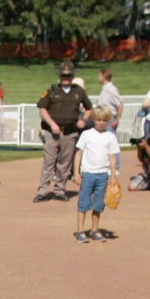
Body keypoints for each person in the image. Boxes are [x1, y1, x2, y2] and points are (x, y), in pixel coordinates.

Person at [34, 61, 92, 202]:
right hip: (52, 132)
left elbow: (89, 108)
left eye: (68, 75)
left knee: (65, 163)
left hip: (70, 132)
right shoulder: (52, 90)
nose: (66, 78)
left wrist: (83, 120)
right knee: (49, 162)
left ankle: (60, 190)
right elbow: (42, 109)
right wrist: (52, 124)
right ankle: (43, 190)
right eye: (63, 76)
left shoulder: (78, 91)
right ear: (59, 76)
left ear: (72, 76)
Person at [70, 106, 120, 243]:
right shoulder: (87, 134)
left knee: (98, 204)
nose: (101, 122)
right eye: (99, 119)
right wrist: (76, 172)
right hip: (88, 174)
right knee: (83, 203)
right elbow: (78, 153)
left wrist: (113, 175)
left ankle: (94, 230)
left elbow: (112, 157)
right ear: (94, 119)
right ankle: (80, 230)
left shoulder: (110, 136)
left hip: (103, 174)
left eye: (104, 120)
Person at [96, 68, 124, 173]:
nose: (98, 77)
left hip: (109, 120)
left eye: (99, 75)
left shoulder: (110, 89)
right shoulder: (105, 89)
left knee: (112, 144)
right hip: (102, 119)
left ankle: (115, 167)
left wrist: (117, 120)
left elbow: (120, 104)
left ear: (104, 76)